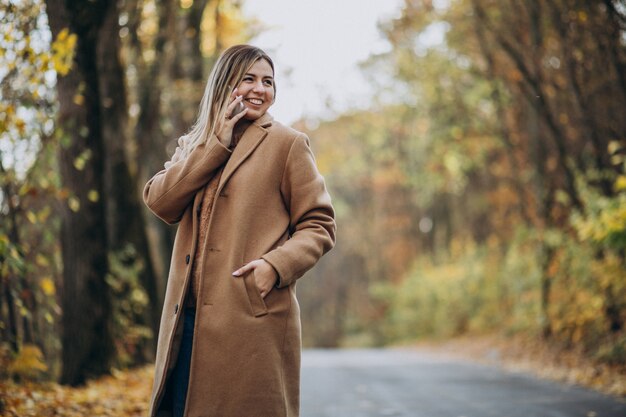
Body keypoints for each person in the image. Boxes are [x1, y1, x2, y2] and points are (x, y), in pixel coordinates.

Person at [143, 44, 336, 417]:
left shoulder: (287, 145)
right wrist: (215, 145)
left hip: (251, 321)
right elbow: (160, 201)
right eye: (248, 78)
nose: (259, 89)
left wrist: (275, 266)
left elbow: (320, 224)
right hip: (186, 321)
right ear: (225, 83)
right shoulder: (195, 145)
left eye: (268, 81)